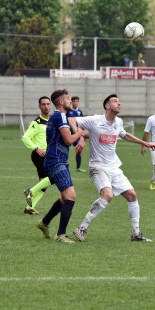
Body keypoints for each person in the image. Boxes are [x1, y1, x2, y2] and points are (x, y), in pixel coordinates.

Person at [71, 94, 155, 242]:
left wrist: (145, 143)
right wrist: (79, 137)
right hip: (98, 167)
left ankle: (136, 234)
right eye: (115, 101)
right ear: (107, 106)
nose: (119, 103)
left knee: (132, 195)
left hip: (114, 167)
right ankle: (82, 228)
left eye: (119, 101)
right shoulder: (95, 120)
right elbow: (72, 120)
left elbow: (125, 135)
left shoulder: (118, 122)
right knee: (108, 195)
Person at [34, 89, 86, 243]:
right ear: (61, 102)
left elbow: (68, 137)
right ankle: (61, 235)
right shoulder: (60, 116)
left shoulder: (59, 116)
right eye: (68, 99)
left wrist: (82, 135)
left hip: (59, 161)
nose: (71, 101)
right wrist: (80, 133)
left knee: (64, 198)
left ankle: (43, 223)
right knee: (71, 197)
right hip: (56, 161)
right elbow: (69, 140)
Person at [22, 96, 53, 216]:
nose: (46, 106)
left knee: (44, 184)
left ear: (50, 106)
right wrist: (36, 148)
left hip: (48, 155)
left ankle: (29, 208)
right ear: (39, 107)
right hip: (39, 155)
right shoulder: (37, 122)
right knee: (51, 178)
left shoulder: (51, 121)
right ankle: (31, 191)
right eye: (43, 104)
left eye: (48, 104)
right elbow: (25, 137)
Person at [67, 96, 85, 172]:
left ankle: (78, 167)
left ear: (78, 102)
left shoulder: (80, 112)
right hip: (69, 134)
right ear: (71, 102)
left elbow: (82, 123)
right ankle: (63, 164)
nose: (75, 103)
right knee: (65, 149)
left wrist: (82, 135)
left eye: (76, 101)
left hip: (77, 134)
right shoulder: (69, 111)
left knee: (79, 149)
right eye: (74, 101)